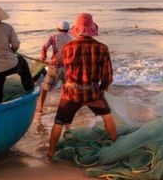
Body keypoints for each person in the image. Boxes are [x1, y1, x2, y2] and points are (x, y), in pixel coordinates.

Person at [47, 13, 117, 160]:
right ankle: (116, 146)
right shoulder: (102, 48)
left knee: (58, 122)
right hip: (92, 92)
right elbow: (108, 75)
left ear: (77, 29)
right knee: (108, 117)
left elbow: (64, 68)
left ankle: (51, 153)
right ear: (92, 29)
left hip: (71, 93)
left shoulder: (67, 48)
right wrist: (102, 89)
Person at [37, 21, 74, 112]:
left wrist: (43, 58)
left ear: (58, 29)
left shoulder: (53, 36)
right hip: (67, 67)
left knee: (45, 88)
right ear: (68, 30)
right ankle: (65, 106)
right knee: (65, 88)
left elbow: (44, 47)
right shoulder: (71, 39)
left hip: (55, 67)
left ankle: (40, 108)